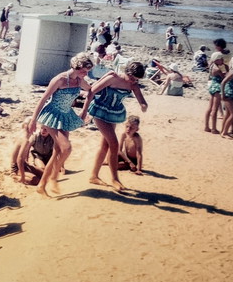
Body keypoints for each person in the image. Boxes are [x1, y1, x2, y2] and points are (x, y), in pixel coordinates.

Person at [27, 52, 94, 195]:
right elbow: (43, 98)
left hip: (66, 115)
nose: (85, 73)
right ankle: (54, 177)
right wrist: (33, 120)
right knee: (67, 148)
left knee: (58, 151)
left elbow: (91, 91)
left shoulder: (80, 80)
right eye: (83, 70)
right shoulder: (60, 79)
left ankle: (42, 186)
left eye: (87, 71)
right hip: (52, 114)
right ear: (76, 66)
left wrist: (84, 111)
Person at [81, 61, 148, 192]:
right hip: (100, 110)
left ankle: (93, 176)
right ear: (127, 73)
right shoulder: (113, 78)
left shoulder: (133, 85)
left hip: (114, 113)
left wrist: (143, 106)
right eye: (133, 78)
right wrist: (84, 112)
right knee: (114, 144)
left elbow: (142, 100)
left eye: (137, 80)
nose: (134, 81)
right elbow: (91, 92)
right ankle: (115, 179)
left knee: (105, 145)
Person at [204, 51, 227, 134]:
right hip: (217, 87)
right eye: (221, 59)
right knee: (215, 108)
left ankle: (206, 126)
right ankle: (213, 128)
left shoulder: (212, 66)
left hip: (212, 86)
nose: (223, 60)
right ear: (217, 59)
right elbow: (224, 77)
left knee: (210, 107)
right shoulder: (218, 68)